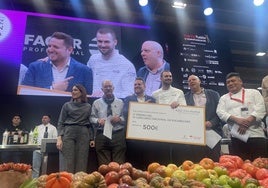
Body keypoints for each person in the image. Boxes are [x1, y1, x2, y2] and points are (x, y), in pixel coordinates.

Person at [22, 32, 93, 94]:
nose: (50, 50)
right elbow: (24, 93)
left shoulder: (85, 71)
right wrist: (52, 89)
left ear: (69, 50)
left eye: (55, 47)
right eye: (49, 46)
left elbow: (86, 99)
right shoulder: (35, 67)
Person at [216, 72, 267, 160]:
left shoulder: (254, 92)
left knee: (261, 165)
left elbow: (261, 108)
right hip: (237, 136)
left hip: (256, 134)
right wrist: (237, 120)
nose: (230, 83)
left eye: (233, 81)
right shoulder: (224, 98)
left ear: (240, 82)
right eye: (228, 82)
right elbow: (220, 112)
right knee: (240, 166)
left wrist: (247, 122)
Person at [87, 28, 136, 98]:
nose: (103, 45)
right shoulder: (93, 59)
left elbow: (130, 94)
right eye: (99, 41)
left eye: (107, 42)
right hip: (93, 104)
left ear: (115, 42)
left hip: (115, 106)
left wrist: (107, 95)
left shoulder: (126, 65)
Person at [56, 84, 94, 173]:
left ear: (82, 92)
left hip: (83, 133)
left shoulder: (88, 106)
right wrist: (59, 138)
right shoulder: (67, 105)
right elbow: (61, 122)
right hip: (69, 132)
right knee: (67, 161)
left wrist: (92, 138)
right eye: (72, 90)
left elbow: (90, 123)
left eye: (76, 90)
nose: (73, 92)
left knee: (82, 160)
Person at [152, 71, 187, 165]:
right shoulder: (154, 94)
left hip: (176, 127)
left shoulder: (179, 92)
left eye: (170, 76)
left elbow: (185, 108)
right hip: (161, 128)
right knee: (162, 154)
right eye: (166, 76)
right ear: (161, 78)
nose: (168, 78)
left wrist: (179, 104)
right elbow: (153, 112)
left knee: (177, 153)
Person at [185, 74, 221, 162]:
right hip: (195, 134)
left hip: (212, 132)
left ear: (199, 81)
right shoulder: (185, 97)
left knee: (214, 160)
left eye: (194, 79)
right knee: (197, 160)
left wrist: (211, 123)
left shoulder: (213, 94)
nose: (191, 82)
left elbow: (220, 112)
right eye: (189, 81)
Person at [90, 80, 126, 165]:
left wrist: (120, 119)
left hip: (117, 134)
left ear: (113, 88)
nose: (108, 88)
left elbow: (126, 117)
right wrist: (98, 120)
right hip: (101, 134)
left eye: (110, 86)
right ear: (102, 89)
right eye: (106, 87)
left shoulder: (121, 102)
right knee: (104, 166)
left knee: (119, 164)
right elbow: (91, 118)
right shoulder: (96, 103)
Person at [123, 77, 155, 170]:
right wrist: (143, 106)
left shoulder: (152, 99)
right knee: (134, 164)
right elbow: (126, 113)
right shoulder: (128, 99)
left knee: (148, 163)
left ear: (144, 86)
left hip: (148, 137)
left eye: (139, 84)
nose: (137, 86)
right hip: (133, 138)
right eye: (135, 85)